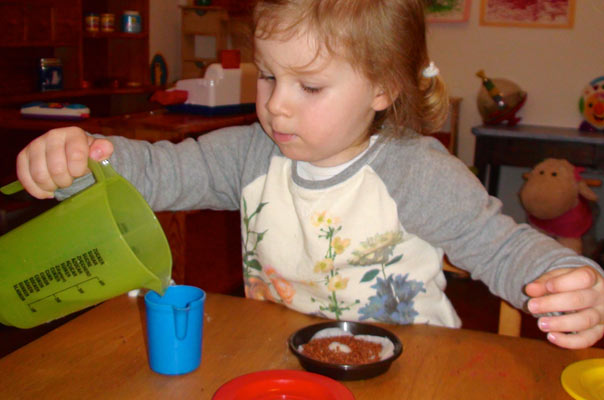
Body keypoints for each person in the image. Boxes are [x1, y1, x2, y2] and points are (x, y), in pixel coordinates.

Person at [13, 0, 604, 349]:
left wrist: (564, 275)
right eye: (268, 75)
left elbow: (500, 248)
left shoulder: (415, 170)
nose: (275, 105)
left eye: (310, 85)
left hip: (410, 367)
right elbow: (159, 172)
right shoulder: (247, 155)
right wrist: (83, 159)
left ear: (383, 88)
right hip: (282, 361)